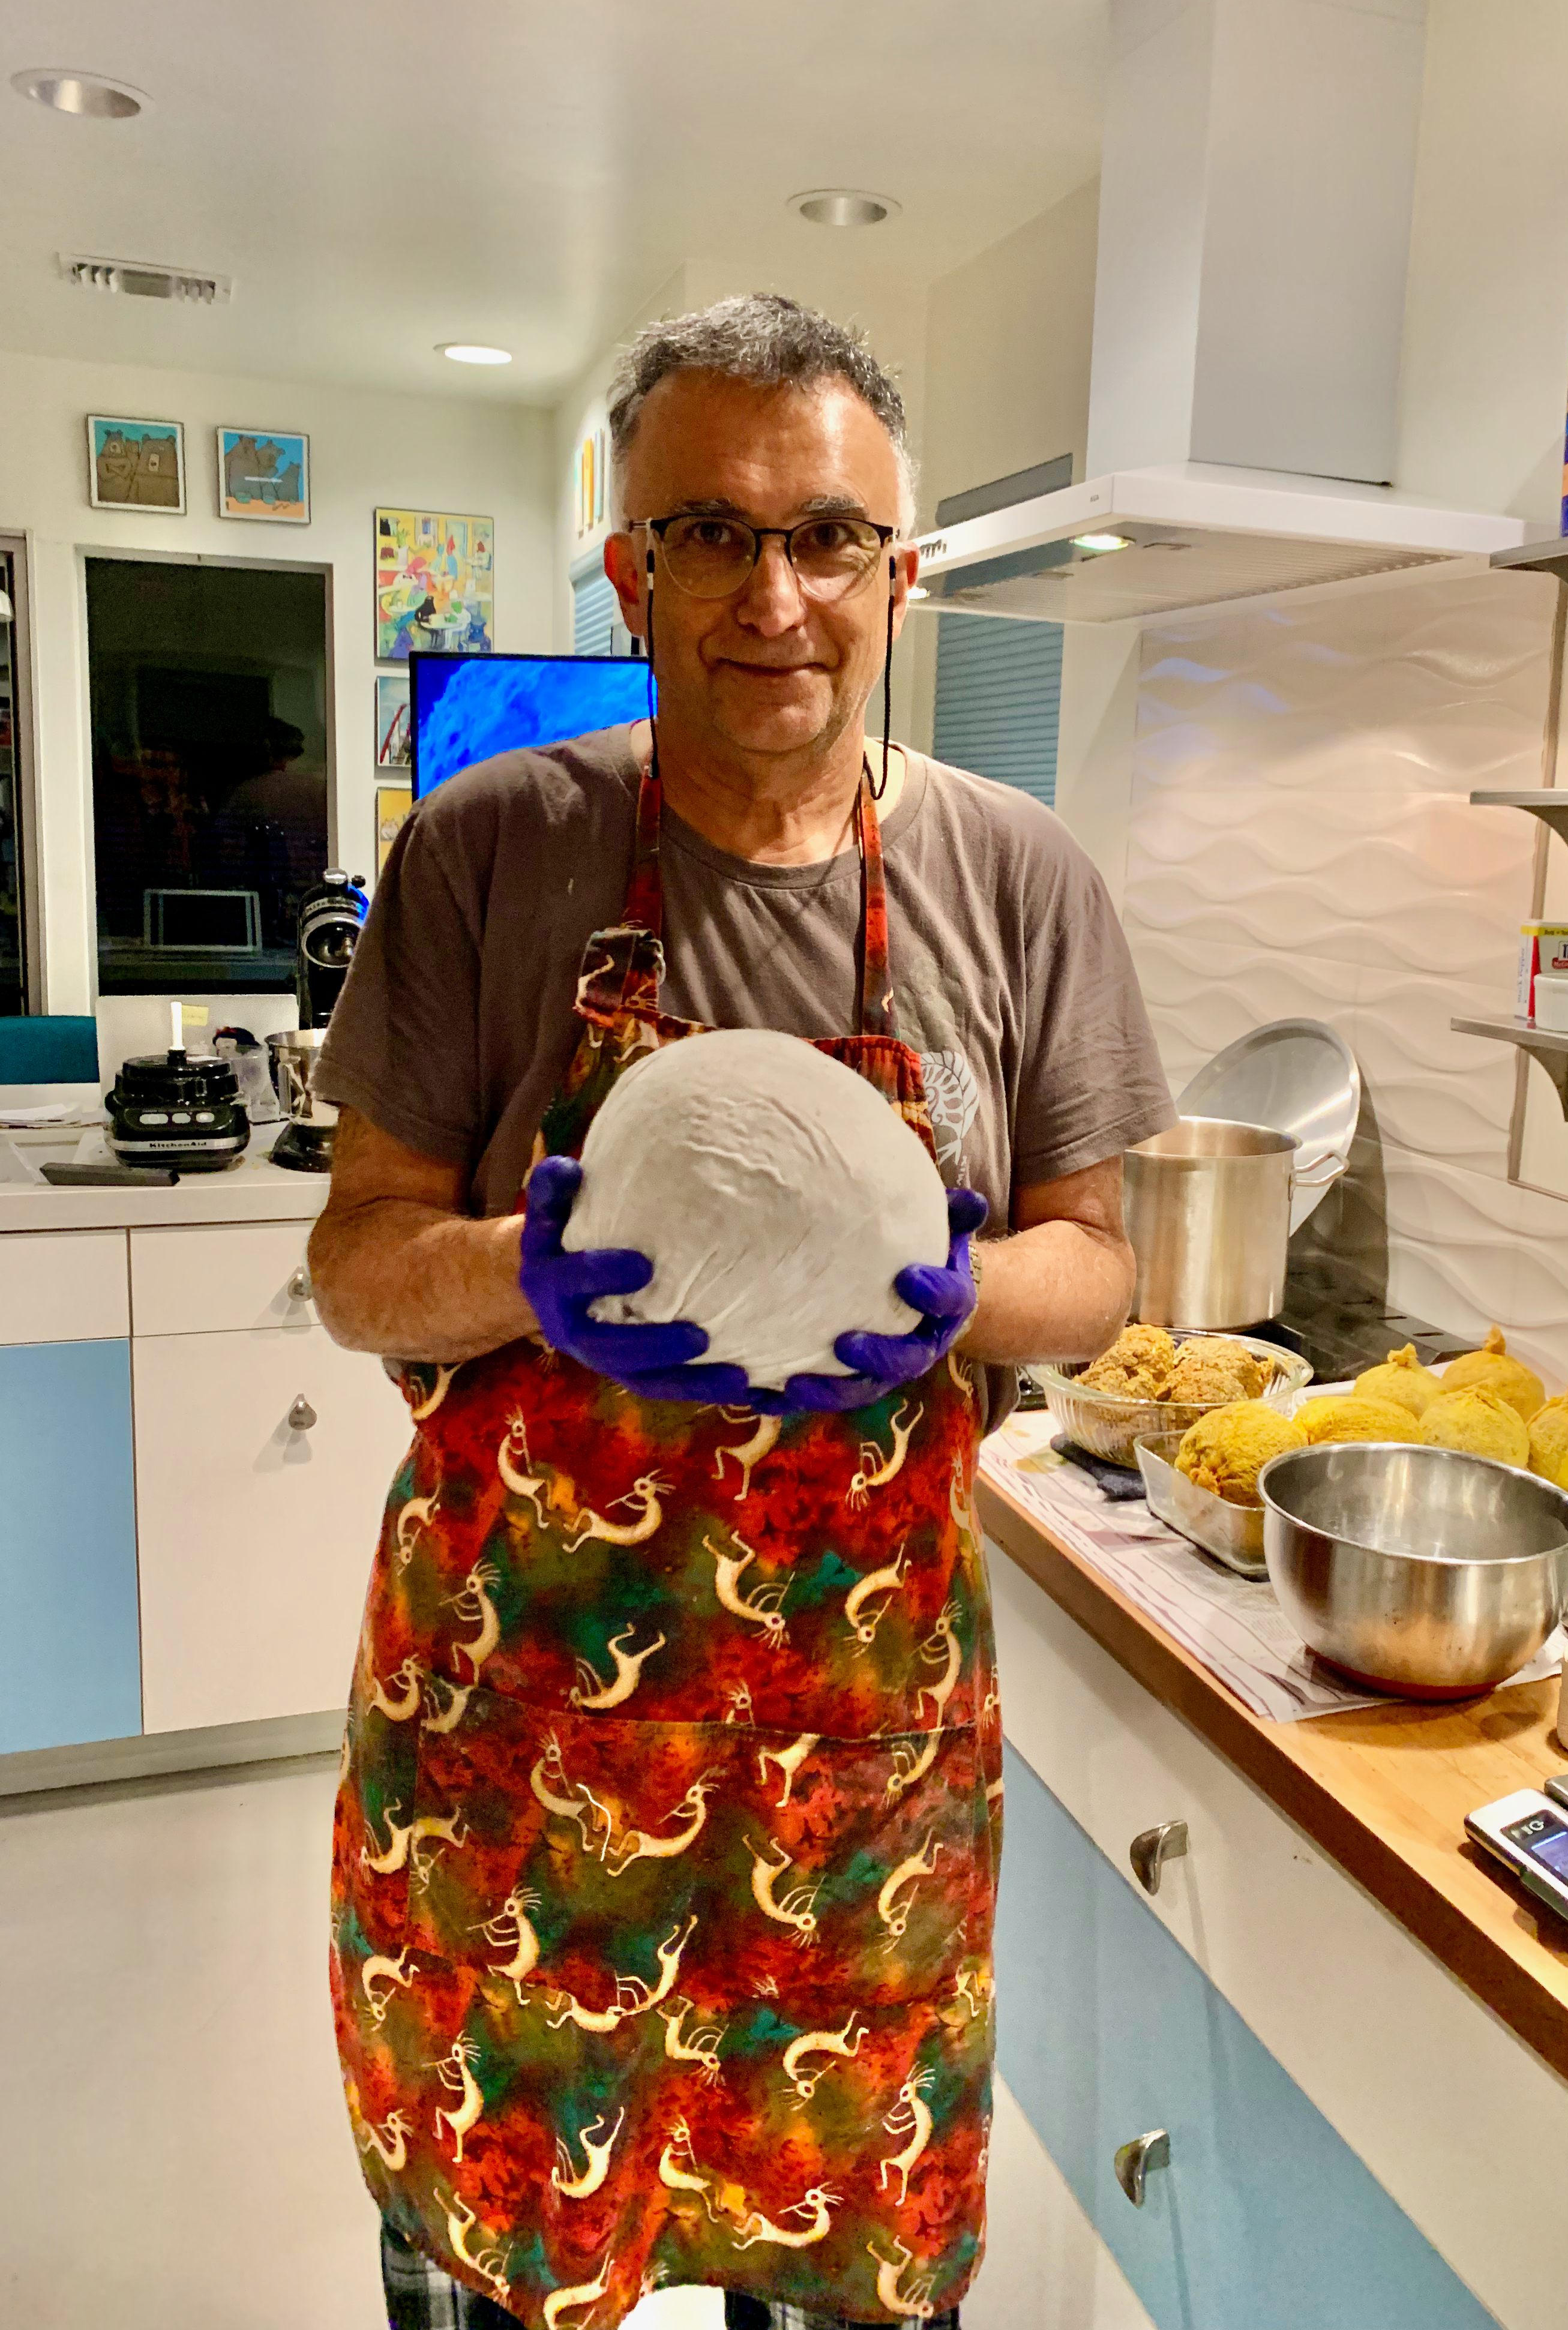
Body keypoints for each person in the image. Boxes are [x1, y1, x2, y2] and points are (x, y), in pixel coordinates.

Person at [308, 292, 1175, 2330]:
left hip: (850, 1795)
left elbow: (1100, 1260)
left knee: (854, 2290)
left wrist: (960, 1299)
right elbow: (357, 1264)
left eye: (828, 537)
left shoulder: (1015, 872)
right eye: (710, 532)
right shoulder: (489, 851)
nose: (773, 593)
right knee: (500, 2272)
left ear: (896, 565)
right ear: (630, 565)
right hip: (518, 1765)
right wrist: (525, 1274)